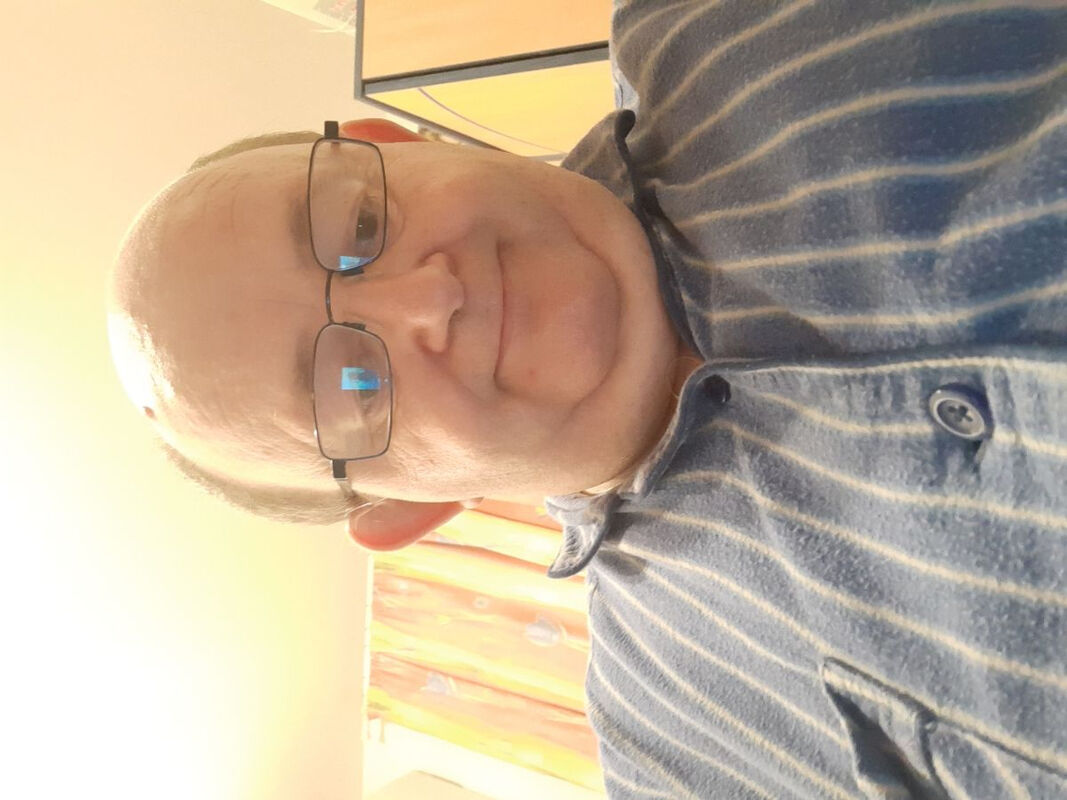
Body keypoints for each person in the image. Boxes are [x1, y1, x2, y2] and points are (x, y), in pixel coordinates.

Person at [109, 1, 1067, 797]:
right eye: (354, 385)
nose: (429, 300)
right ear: (408, 508)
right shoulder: (685, 754)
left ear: (392, 142)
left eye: (359, 224)